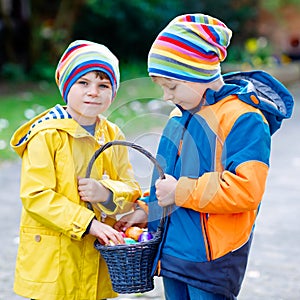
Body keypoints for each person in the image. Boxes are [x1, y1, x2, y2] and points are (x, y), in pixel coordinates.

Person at [114, 13, 294, 299]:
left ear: (197, 74)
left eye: (171, 86)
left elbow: (247, 190)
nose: (165, 97)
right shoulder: (178, 117)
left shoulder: (244, 120)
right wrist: (145, 211)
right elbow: (164, 182)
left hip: (213, 261)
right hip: (172, 253)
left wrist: (180, 191)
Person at [10, 40, 141, 300]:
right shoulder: (47, 135)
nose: (93, 92)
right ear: (66, 87)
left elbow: (131, 187)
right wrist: (88, 223)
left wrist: (106, 192)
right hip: (55, 263)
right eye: (83, 82)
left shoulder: (113, 135)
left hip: (98, 261)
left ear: (112, 93)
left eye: (103, 85)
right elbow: (36, 196)